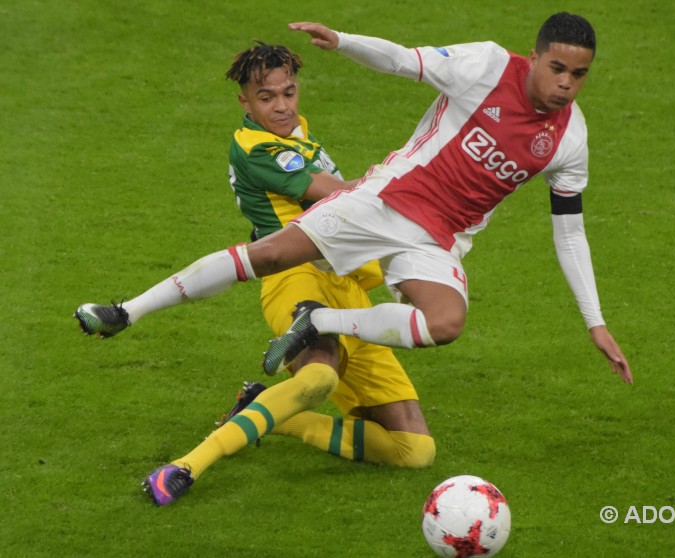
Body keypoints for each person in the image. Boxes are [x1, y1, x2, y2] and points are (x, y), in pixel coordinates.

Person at [78, 13, 631, 403]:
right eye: (556, 68)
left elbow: (570, 233)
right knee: (270, 255)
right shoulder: (486, 66)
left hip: (439, 241)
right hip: (385, 200)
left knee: (445, 323)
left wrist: (595, 321)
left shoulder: (570, 140)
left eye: (578, 74)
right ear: (534, 57)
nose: (565, 83)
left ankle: (315, 321)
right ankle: (127, 310)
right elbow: (404, 61)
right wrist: (341, 40)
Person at [91, 41, 435, 506]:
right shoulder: (256, 147)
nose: (281, 106)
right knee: (318, 380)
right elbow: (334, 195)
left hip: (347, 290)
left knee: (414, 450)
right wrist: (409, 176)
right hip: (294, 279)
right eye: (267, 98)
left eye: (288, 93)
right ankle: (187, 465)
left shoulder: (298, 132)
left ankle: (269, 412)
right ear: (245, 103)